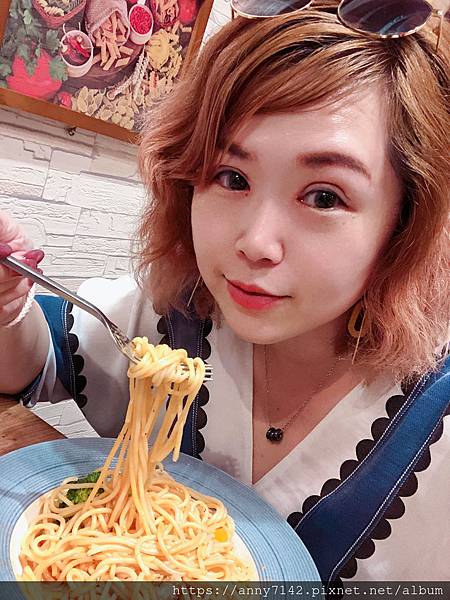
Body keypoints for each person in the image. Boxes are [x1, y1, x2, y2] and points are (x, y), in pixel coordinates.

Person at [0, 0, 449, 584]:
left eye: (324, 197)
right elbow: (33, 362)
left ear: (406, 221)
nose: (255, 243)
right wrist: (8, 308)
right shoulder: (176, 315)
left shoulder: (435, 423)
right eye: (232, 178)